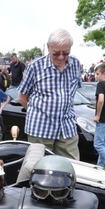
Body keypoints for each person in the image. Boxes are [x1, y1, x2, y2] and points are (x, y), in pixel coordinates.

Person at [18, 28, 82, 160]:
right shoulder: (35, 67)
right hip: (40, 128)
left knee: (72, 167)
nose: (61, 57)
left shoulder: (75, 64)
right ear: (48, 48)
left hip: (66, 127)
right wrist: (39, 114)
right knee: (40, 169)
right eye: (56, 53)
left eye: (65, 53)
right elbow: (22, 98)